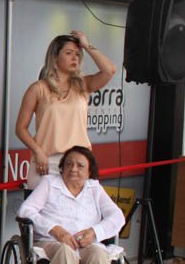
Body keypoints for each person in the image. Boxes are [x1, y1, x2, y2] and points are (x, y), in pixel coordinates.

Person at [17, 146, 126, 264]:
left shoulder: (94, 188)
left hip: (86, 244)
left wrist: (95, 232)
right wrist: (55, 229)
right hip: (52, 243)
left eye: (80, 165)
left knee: (100, 256)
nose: (74, 169)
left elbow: (117, 216)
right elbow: (26, 211)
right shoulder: (49, 183)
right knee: (65, 252)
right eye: (69, 164)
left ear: (89, 170)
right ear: (61, 168)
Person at [15, 31, 116, 189]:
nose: (74, 57)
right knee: (44, 213)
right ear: (55, 57)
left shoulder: (83, 85)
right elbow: (20, 128)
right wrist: (38, 151)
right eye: (68, 53)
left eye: (77, 54)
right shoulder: (38, 88)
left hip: (78, 162)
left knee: (78, 212)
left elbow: (109, 70)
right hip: (47, 162)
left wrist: (86, 45)